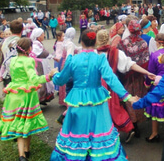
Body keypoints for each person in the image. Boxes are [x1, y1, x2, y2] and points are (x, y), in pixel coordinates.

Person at [50, 30, 138, 160]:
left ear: (81, 42)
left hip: (77, 101)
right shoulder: (100, 58)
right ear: (95, 42)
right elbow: (111, 79)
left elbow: (60, 80)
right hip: (97, 100)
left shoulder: (73, 59)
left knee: (78, 132)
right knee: (98, 132)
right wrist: (127, 97)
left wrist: (54, 74)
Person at [0, 38, 57, 161]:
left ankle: (24, 152)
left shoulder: (13, 60)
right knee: (25, 122)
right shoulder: (28, 61)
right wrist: (49, 76)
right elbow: (34, 79)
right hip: (26, 95)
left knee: (20, 122)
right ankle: (23, 153)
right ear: (29, 49)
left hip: (14, 94)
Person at [96, 29, 155, 143]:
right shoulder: (116, 52)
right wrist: (146, 72)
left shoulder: (92, 53)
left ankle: (101, 137)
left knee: (99, 112)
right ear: (109, 38)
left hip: (94, 88)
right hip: (112, 87)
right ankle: (115, 135)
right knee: (115, 110)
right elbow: (130, 65)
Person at [117, 20, 150, 138]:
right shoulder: (143, 43)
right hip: (138, 76)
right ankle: (139, 121)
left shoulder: (122, 43)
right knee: (139, 96)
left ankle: (132, 124)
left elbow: (118, 60)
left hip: (126, 76)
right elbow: (146, 60)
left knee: (128, 98)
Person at [30, 29, 55, 105]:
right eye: (42, 34)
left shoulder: (39, 43)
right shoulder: (35, 44)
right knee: (41, 81)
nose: (44, 35)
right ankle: (39, 99)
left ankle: (43, 98)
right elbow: (36, 54)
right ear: (38, 36)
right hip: (39, 65)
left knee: (44, 82)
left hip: (42, 64)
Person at [0, 20, 23, 88]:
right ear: (22, 30)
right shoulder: (20, 42)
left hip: (6, 72)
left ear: (11, 30)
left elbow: (1, 57)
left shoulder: (4, 42)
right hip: (17, 74)